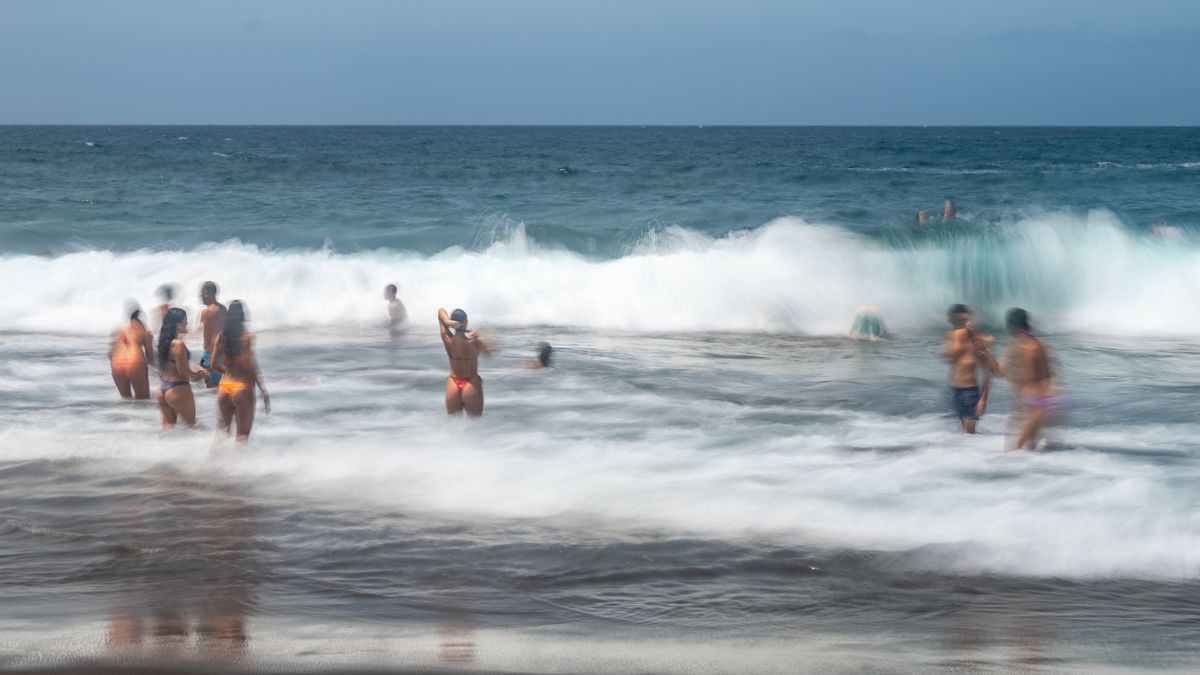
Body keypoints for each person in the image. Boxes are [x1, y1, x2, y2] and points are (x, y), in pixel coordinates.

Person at [210, 300, 270, 443]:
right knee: (242, 438)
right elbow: (249, 366)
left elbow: (213, 365)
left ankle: (209, 457)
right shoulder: (247, 337)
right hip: (242, 388)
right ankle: (237, 460)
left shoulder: (221, 337)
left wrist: (226, 372)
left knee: (222, 434)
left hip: (224, 388)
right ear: (242, 316)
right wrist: (263, 390)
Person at [1000, 308, 1057, 450]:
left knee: (1017, 448)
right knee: (1027, 448)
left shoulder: (1019, 346)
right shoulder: (1040, 345)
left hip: (1029, 400)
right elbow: (1048, 375)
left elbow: (1024, 376)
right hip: (1041, 399)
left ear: (1013, 326)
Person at [942, 304, 997, 434]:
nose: (964, 325)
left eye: (965, 320)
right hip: (954, 390)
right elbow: (948, 359)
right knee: (964, 434)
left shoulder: (981, 341)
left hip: (970, 392)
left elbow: (987, 372)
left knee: (969, 435)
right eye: (959, 322)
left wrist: (983, 398)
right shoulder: (953, 336)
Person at [156, 308, 209, 429]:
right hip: (177, 388)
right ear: (178, 325)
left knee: (168, 432)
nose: (187, 324)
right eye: (185, 321)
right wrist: (200, 373)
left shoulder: (164, 343)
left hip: (162, 389)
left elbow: (168, 366)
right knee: (192, 429)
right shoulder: (178, 344)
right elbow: (183, 371)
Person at [438, 308, 491, 416]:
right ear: (466, 322)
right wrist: (480, 337)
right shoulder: (474, 342)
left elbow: (440, 312)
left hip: (453, 383)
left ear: (452, 323)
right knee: (475, 424)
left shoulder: (447, 339)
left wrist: (447, 322)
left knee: (453, 425)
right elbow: (488, 353)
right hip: (471, 383)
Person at [108, 304, 155, 400]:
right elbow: (150, 356)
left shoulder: (120, 331)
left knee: (125, 400)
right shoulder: (145, 333)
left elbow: (110, 354)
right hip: (135, 360)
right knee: (143, 401)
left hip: (117, 362)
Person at [198, 281, 227, 388]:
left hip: (211, 354)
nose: (199, 296)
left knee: (211, 387)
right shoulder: (223, 309)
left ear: (206, 293)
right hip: (220, 354)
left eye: (201, 293)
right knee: (208, 384)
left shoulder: (207, 311)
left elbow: (214, 336)